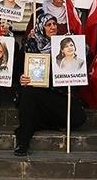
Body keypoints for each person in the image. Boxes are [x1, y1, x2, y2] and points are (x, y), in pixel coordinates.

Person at [13, 12, 86, 156]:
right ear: (41, 27)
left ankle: (40, 122)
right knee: (28, 93)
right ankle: (23, 141)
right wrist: (21, 77)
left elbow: (81, 62)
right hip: (36, 94)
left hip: (58, 94)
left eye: (54, 24)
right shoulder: (30, 45)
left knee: (79, 117)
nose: (53, 27)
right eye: (48, 25)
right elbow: (18, 69)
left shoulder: (65, 45)